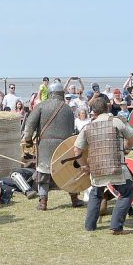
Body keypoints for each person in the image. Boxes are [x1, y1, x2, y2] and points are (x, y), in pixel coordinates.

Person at [74, 95, 133, 234]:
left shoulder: (87, 127)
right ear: (107, 108)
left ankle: (90, 226)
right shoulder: (117, 122)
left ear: (93, 112)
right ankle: (116, 226)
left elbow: (77, 149)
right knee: (127, 193)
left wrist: (83, 165)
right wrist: (126, 148)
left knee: (96, 194)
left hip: (96, 170)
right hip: (116, 168)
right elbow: (132, 139)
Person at [23, 80, 84, 211]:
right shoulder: (67, 109)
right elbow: (72, 130)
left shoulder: (41, 106)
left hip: (45, 145)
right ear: (61, 93)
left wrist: (28, 140)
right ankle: (74, 199)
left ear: (50, 93)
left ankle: (43, 202)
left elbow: (29, 126)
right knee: (68, 172)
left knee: (44, 174)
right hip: (64, 146)